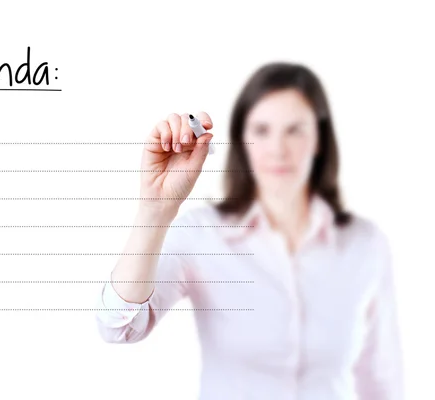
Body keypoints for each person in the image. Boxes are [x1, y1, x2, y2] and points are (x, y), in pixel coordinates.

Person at [94, 62, 403, 400]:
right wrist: (155, 209)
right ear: (243, 140)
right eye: (262, 130)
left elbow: (381, 380)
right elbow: (119, 326)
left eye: (295, 130)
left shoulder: (365, 245)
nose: (278, 148)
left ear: (319, 139)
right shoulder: (203, 235)